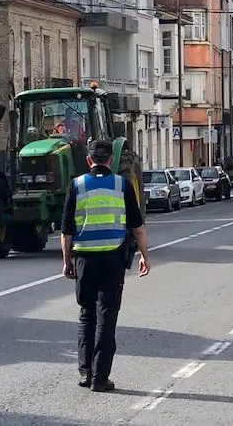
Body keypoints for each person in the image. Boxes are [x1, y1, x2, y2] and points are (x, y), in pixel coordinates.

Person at [61, 139, 150, 392]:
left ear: (89, 160)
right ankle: (100, 378)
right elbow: (138, 227)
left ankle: (85, 372)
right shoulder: (122, 185)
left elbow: (66, 231)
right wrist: (145, 256)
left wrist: (67, 262)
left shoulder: (76, 185)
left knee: (86, 315)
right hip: (112, 260)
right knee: (106, 318)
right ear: (110, 160)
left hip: (84, 261)